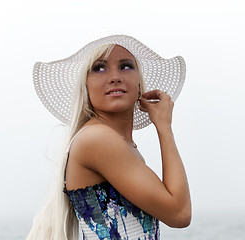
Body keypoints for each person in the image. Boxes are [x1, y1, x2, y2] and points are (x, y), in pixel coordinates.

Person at [27, 35, 191, 240]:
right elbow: (180, 214)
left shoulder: (118, 143)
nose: (115, 77)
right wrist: (164, 127)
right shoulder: (98, 139)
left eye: (125, 66)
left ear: (139, 84)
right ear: (85, 86)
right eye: (99, 68)